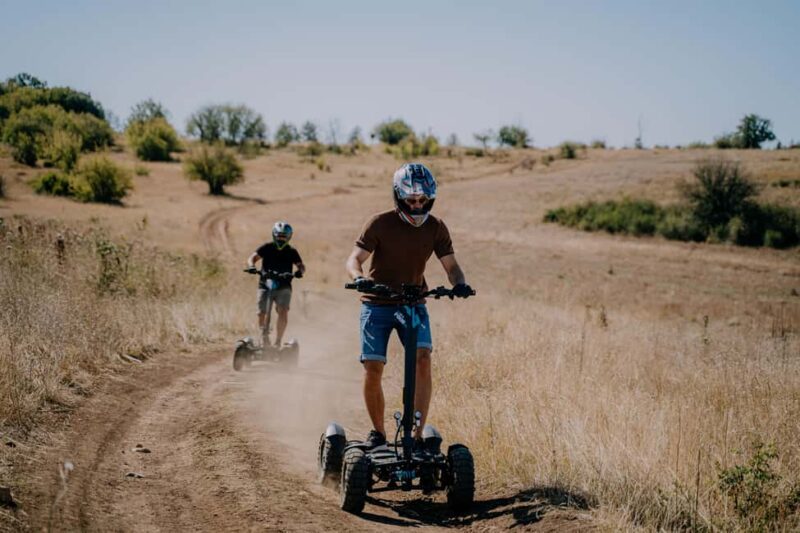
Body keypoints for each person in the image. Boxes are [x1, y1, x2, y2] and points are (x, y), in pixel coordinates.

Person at [345, 163, 473, 449]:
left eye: (423, 200)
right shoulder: (378, 223)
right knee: (373, 366)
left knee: (423, 359)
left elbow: (452, 266)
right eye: (411, 200)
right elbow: (354, 259)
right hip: (376, 303)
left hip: (413, 304)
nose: (417, 206)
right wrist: (359, 279)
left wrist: (460, 284)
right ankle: (378, 433)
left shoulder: (436, 227)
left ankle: (414, 436)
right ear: (398, 197)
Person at [247, 221, 305, 347]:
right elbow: (252, 258)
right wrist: (251, 266)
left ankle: (278, 341)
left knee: (283, 311)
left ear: (289, 237)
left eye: (284, 236)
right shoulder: (267, 247)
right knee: (261, 312)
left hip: (284, 285)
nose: (281, 238)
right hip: (265, 284)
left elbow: (301, 265)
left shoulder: (291, 251)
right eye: (279, 235)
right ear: (274, 234)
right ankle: (264, 336)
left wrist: (300, 271)